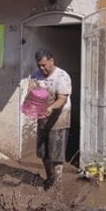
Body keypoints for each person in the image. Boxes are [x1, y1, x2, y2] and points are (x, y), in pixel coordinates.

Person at [31, 48, 72, 189]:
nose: (41, 68)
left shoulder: (62, 76)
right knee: (44, 153)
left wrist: (50, 108)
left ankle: (58, 185)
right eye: (39, 65)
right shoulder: (36, 75)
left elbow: (62, 99)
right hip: (43, 119)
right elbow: (34, 92)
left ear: (51, 61)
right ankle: (50, 178)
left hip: (59, 119)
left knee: (56, 155)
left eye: (44, 65)